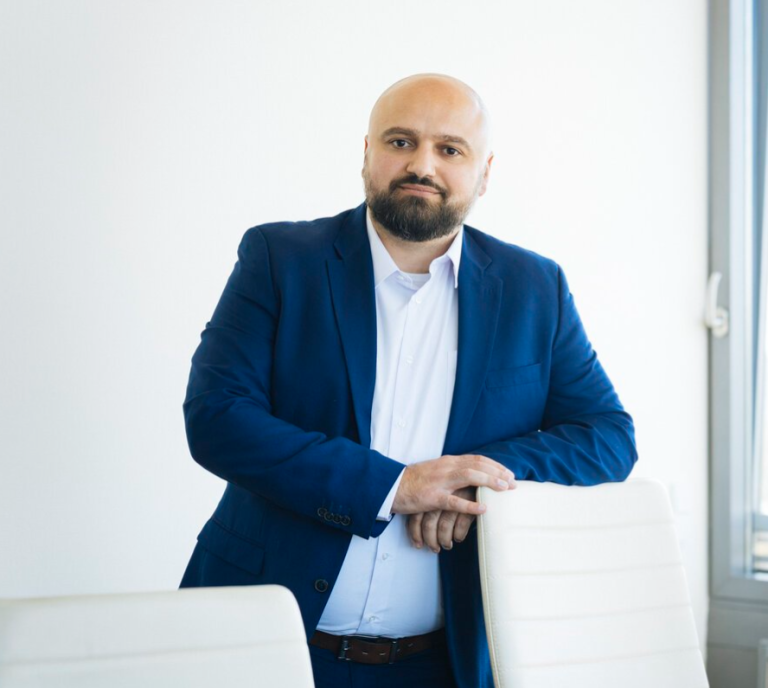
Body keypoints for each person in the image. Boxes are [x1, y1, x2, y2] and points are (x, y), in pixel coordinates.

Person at [179, 73, 637, 688]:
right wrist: (396, 487)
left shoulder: (534, 287)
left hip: (444, 663)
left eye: (450, 149)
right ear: (367, 152)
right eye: (401, 142)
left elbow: (608, 436)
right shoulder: (280, 258)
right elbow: (218, 417)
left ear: (484, 173)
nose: (422, 164)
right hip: (265, 646)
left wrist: (476, 475)